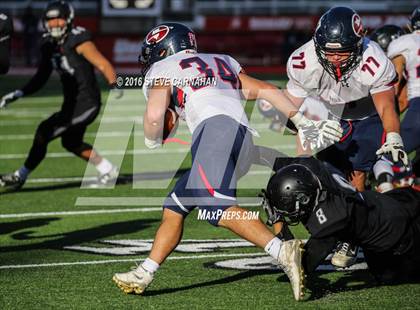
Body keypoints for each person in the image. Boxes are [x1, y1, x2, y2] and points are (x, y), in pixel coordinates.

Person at [112, 22, 344, 301]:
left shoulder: (162, 70)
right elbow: (267, 89)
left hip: (215, 134)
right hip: (241, 138)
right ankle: (145, 271)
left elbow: (154, 118)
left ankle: (281, 251)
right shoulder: (222, 60)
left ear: (162, 50)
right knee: (175, 205)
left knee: (214, 207)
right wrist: (302, 121)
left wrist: (151, 138)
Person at [283, 6, 409, 267]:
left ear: (359, 42)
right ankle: (334, 225)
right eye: (329, 51)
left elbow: (387, 105)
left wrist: (394, 134)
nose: (335, 58)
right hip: (327, 113)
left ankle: (352, 237)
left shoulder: (373, 60)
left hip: (366, 116)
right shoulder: (303, 61)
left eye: (342, 52)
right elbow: (287, 111)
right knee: (323, 174)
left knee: (356, 175)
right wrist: (307, 126)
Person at [0, 1, 120, 190]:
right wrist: (19, 93)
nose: (55, 23)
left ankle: (20, 175)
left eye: (59, 18)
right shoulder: (48, 45)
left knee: (44, 132)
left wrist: (114, 84)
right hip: (70, 104)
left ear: (68, 19)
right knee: (71, 142)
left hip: (86, 102)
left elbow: (103, 64)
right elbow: (41, 77)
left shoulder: (78, 40)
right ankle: (108, 170)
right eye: (51, 19)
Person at [262, 157, 420, 290]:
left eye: (288, 207)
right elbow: (278, 160)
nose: (286, 211)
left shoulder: (331, 219)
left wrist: (279, 221)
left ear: (304, 198)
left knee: (388, 277)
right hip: (394, 200)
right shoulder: (312, 168)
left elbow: (300, 266)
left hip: (403, 241)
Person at [387, 7, 420, 185]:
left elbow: (395, 80)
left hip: (418, 104)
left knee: (390, 152)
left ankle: (399, 185)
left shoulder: (405, 42)